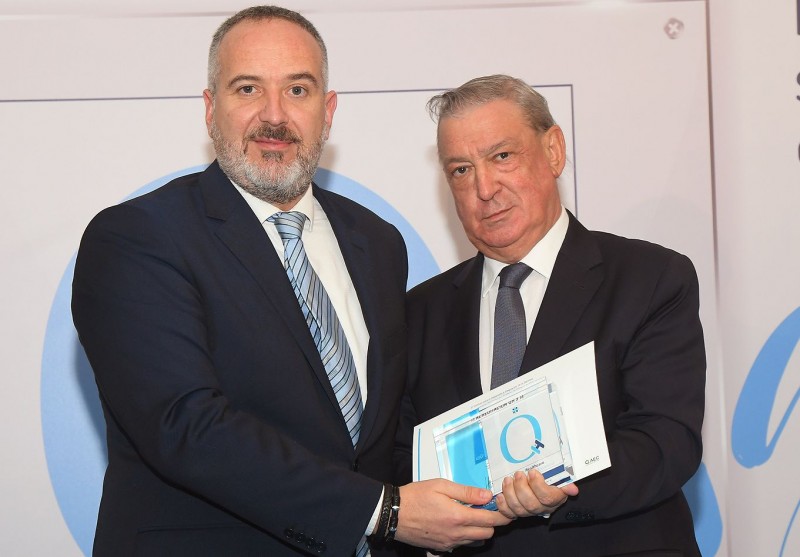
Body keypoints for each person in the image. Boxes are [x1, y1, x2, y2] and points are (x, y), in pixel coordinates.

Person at [72, 7, 509, 557]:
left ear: (328, 111)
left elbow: (384, 432)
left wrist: (493, 486)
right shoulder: (138, 237)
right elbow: (185, 426)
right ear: (210, 108)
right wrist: (385, 512)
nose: (274, 116)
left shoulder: (377, 242)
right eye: (248, 88)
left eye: (298, 90)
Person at [395, 75, 706, 556]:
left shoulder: (650, 278)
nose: (484, 188)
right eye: (461, 169)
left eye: (502, 156)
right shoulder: (420, 311)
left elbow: (666, 441)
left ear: (554, 151)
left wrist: (557, 488)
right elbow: (400, 457)